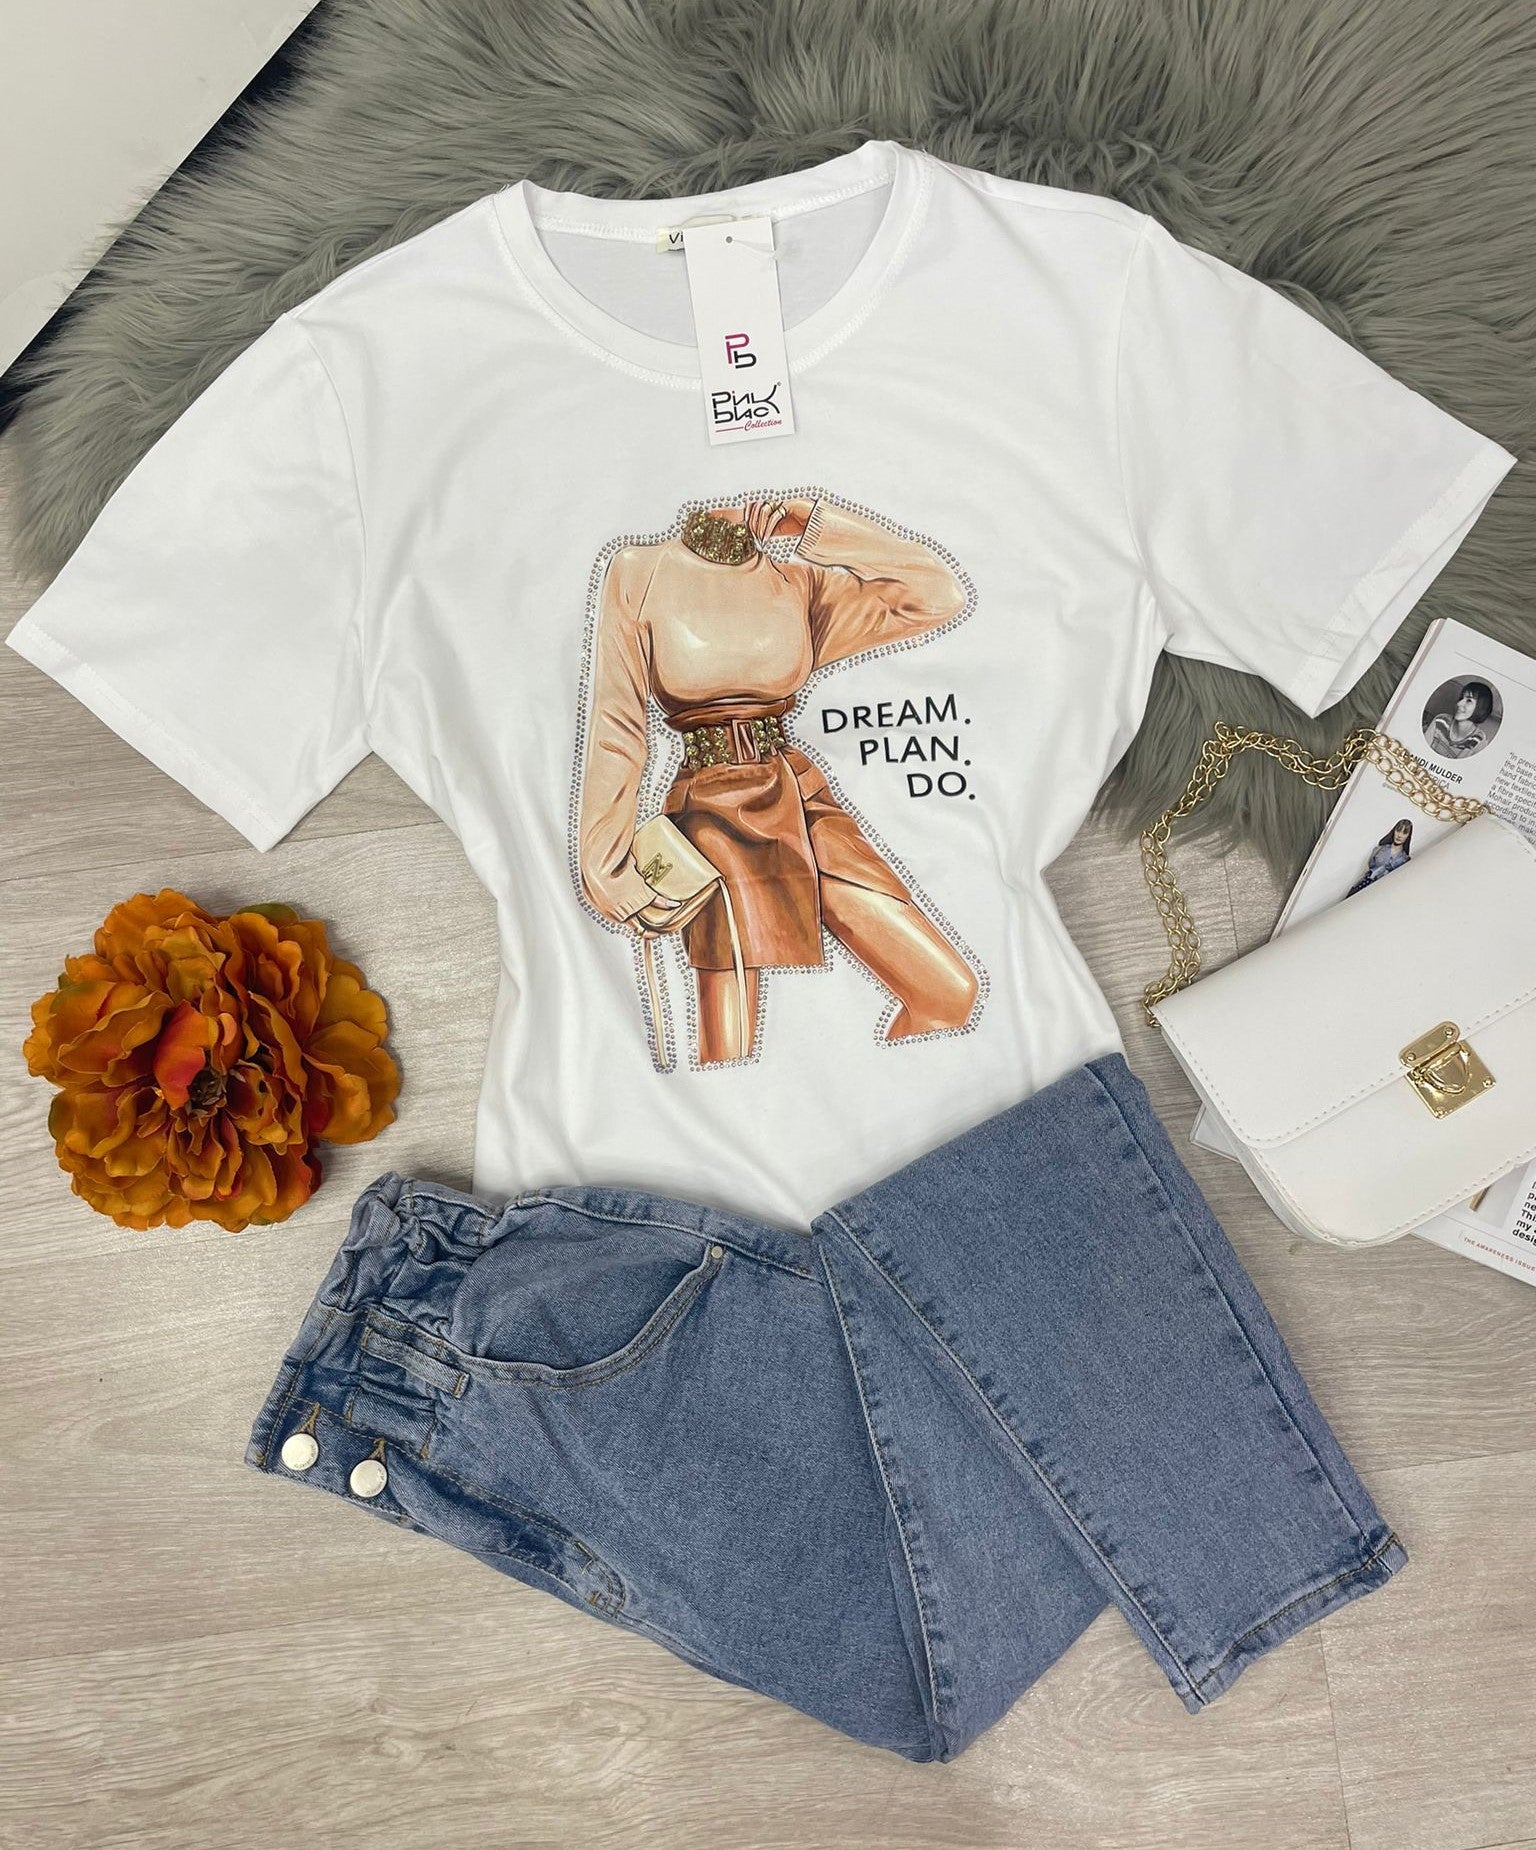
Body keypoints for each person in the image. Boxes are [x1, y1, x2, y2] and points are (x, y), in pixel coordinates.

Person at [575, 494, 981, 1066]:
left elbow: (936, 594)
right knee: (729, 1054)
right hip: (708, 817)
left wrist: (816, 522)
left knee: (947, 994)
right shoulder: (639, 571)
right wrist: (604, 862)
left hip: (802, 800)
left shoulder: (798, 583)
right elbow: (617, 727)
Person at [1426, 679, 1495, 758]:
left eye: (1469, 700)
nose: (1459, 703)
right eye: (1461, 698)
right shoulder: (1440, 721)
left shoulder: (1479, 742)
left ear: (1481, 707)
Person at [1345, 818, 1413, 895]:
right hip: (1363, 884)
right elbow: (1368, 867)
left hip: (1381, 892)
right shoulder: (1380, 848)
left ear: (1408, 835)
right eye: (1398, 830)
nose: (1399, 835)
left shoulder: (1404, 859)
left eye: (1404, 833)